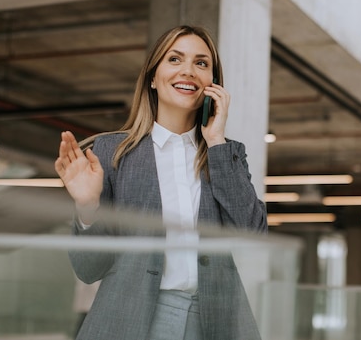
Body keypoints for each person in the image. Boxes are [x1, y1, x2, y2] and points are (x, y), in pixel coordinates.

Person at [55, 25, 268, 340]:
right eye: (175, 59)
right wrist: (88, 206)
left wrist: (216, 142)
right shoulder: (112, 152)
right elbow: (89, 270)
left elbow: (252, 236)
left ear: (213, 84)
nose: (188, 71)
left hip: (213, 321)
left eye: (201, 63)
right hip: (133, 319)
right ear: (153, 78)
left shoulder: (227, 154)